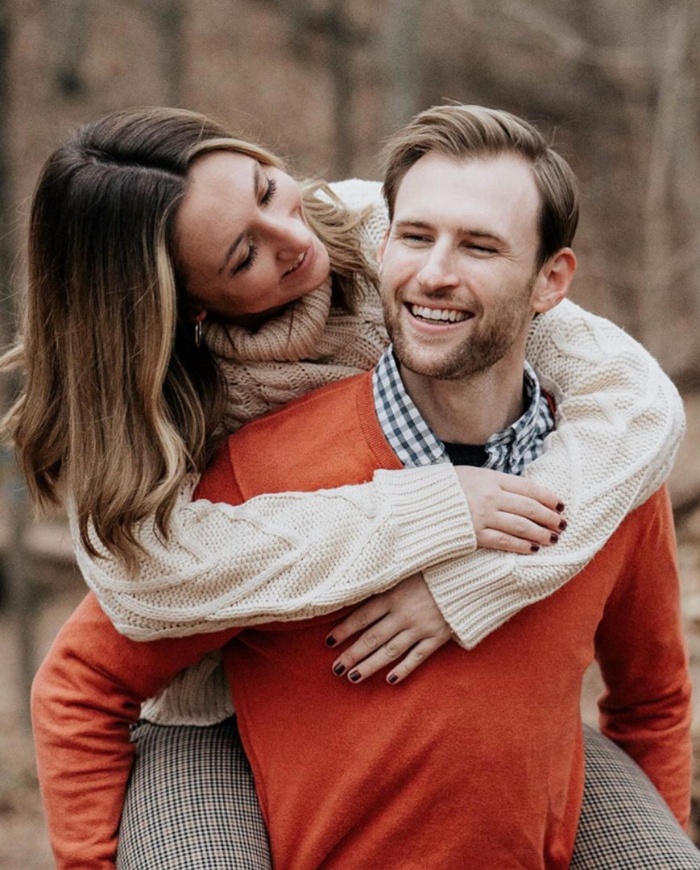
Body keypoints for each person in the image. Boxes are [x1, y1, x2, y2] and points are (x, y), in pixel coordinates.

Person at [22, 105, 697, 867]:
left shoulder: (382, 230)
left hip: (484, 721)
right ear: (185, 305)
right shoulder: (209, 445)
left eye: (270, 188)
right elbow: (136, 596)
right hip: (209, 717)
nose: (296, 236)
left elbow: (634, 398)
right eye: (245, 255)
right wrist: (432, 509)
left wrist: (472, 578)